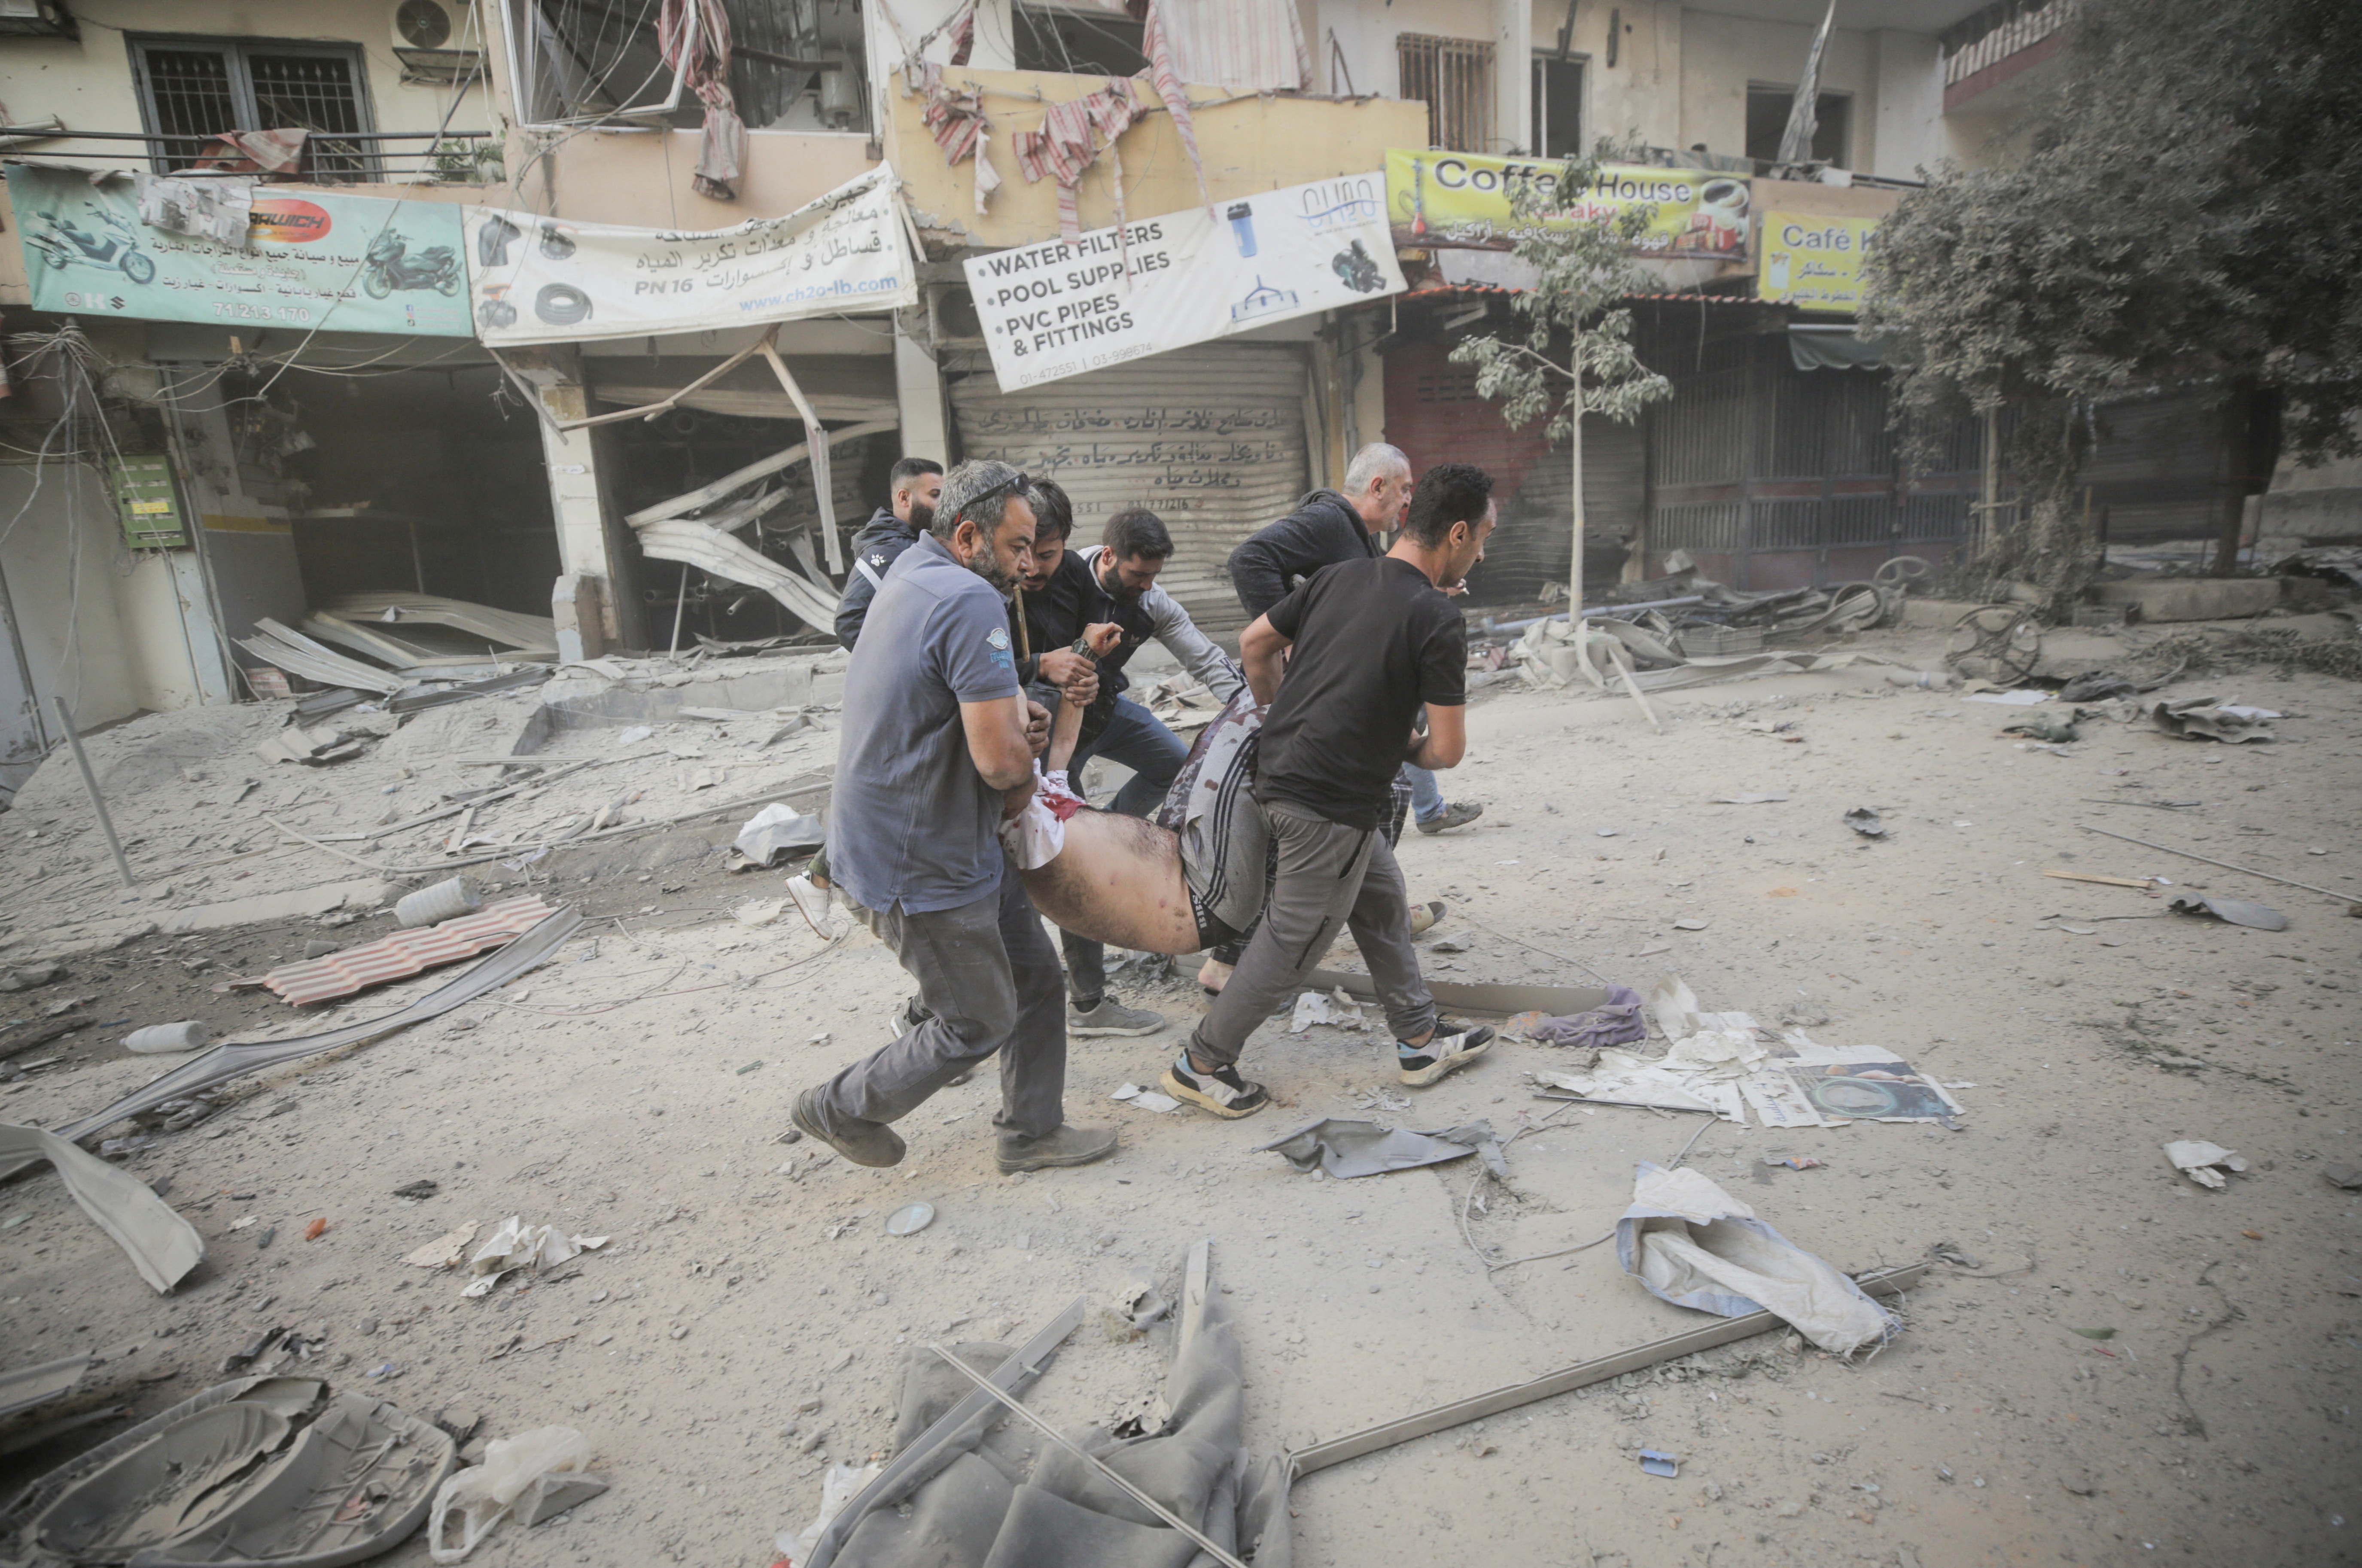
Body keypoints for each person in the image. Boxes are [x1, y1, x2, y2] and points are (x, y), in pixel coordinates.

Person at [792, 459, 1117, 1175]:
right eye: (1016, 547)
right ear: (968, 535)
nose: (1029, 565)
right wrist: (1026, 754)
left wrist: (1013, 707)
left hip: (950, 839)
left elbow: (947, 700)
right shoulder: (970, 600)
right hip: (922, 859)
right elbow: (1002, 766)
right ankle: (841, 1104)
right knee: (976, 1019)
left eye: (1036, 547)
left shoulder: (912, 572)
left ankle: (1032, 1132)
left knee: (1035, 979)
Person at [1161, 463, 1504, 1119]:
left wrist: (1282, 710)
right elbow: (1447, 751)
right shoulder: (1436, 615)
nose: (1483, 553)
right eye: (1482, 537)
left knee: (1379, 901)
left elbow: (1254, 640)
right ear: (1456, 533)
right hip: (1329, 805)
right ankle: (1200, 1063)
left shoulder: (1336, 577)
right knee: (1292, 938)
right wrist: (1401, 742)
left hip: (1276, 772)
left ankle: (1420, 1038)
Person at [1032, 506, 1242, 1036]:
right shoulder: (1054, 577)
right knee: (1072, 861)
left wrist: (1252, 707)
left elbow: (1205, 660)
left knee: (1175, 763)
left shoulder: (1151, 604)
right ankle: (1089, 1003)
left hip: (1104, 710)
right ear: (1108, 557)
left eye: (1153, 577)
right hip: (1050, 726)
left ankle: (1106, 831)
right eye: (1137, 575)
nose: (1146, 586)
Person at [1227, 443, 1484, 839]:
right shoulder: (1329, 520)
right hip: (1321, 714)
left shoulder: (1362, 541)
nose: (1408, 501)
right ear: (1378, 486)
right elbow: (1250, 558)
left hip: (1348, 700)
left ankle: (1422, 820)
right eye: (1404, 489)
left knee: (1395, 741)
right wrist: (1293, 639)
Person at [834, 457, 945, 651]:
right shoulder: (888, 550)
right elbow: (849, 623)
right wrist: (908, 661)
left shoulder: (918, 541)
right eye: (935, 495)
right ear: (904, 498)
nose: (943, 505)